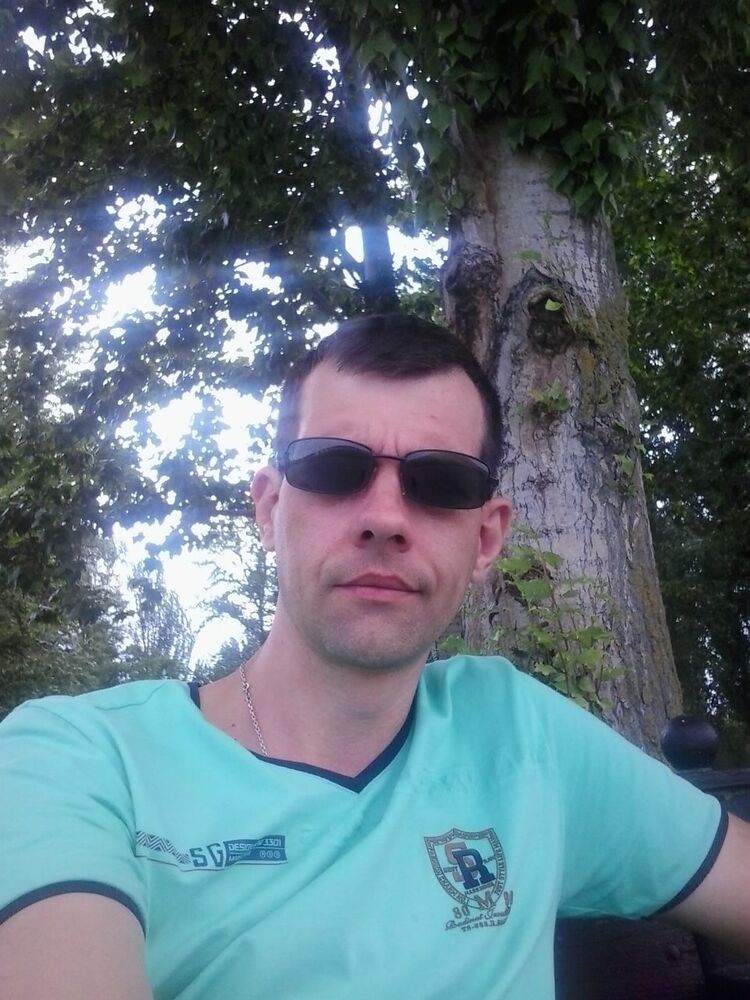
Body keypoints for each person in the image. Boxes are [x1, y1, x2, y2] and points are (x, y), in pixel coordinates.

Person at [0, 313, 748, 1000]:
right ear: (269, 509)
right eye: (333, 468)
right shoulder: (78, 758)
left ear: (486, 539)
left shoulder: (524, 738)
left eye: (440, 482)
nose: (386, 518)